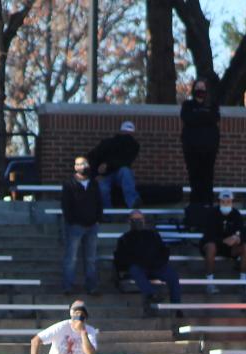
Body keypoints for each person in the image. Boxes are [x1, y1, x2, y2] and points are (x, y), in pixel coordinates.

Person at [113, 210, 180, 316]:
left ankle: (177, 308)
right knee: (134, 270)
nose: (137, 222)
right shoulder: (124, 239)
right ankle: (151, 294)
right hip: (139, 268)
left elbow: (163, 251)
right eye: (134, 220)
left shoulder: (153, 235)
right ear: (129, 221)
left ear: (144, 220)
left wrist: (159, 262)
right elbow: (121, 258)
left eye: (139, 219)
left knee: (172, 275)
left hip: (156, 266)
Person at [59, 154, 103, 295]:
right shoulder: (69, 184)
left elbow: (99, 202)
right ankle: (67, 286)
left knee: (91, 258)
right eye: (79, 164)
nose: (82, 166)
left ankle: (92, 287)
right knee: (71, 258)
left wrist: (97, 218)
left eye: (84, 163)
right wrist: (72, 220)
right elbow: (66, 205)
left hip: (92, 225)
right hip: (75, 226)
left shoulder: (94, 184)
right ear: (75, 167)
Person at [199, 189, 246, 292]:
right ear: (219, 202)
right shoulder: (212, 214)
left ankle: (243, 282)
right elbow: (208, 235)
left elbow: (243, 232)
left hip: (230, 248)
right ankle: (210, 283)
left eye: (228, 202)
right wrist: (223, 240)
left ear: (232, 202)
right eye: (223, 201)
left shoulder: (236, 214)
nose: (226, 204)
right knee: (211, 246)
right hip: (214, 245)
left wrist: (237, 238)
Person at [180, 79, 221, 206]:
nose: (200, 90)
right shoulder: (187, 105)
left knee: (207, 178)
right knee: (195, 178)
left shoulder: (212, 106)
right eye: (198, 87)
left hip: (209, 149)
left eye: (203, 88)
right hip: (192, 149)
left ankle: (208, 204)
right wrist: (203, 117)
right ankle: (195, 206)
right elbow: (187, 118)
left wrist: (199, 117)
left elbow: (214, 118)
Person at [86, 121, 140, 209]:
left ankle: (133, 203)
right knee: (103, 188)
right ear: (121, 132)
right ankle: (107, 213)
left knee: (126, 171)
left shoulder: (134, 146)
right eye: (126, 133)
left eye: (129, 134)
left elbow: (126, 161)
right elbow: (91, 158)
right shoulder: (107, 143)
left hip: (119, 174)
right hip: (104, 175)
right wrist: (95, 174)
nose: (127, 136)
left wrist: (108, 164)